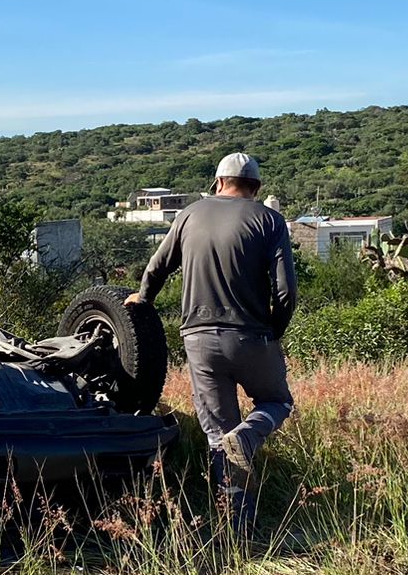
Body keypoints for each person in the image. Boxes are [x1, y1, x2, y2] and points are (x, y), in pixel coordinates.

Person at [125, 152, 297, 517]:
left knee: (219, 435)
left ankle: (238, 526)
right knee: (276, 402)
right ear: (256, 187)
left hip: (198, 339)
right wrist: (273, 333)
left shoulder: (189, 215)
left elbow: (156, 268)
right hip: (251, 335)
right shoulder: (269, 220)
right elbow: (285, 292)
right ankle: (249, 436)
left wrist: (143, 301)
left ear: (218, 183)